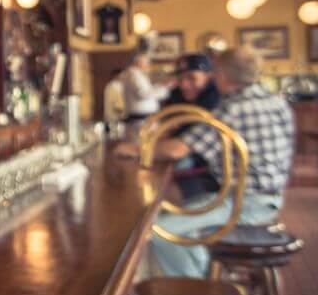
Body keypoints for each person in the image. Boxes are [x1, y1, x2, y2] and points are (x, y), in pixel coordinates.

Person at [148, 47, 294, 278]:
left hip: (243, 204)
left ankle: (194, 292)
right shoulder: (275, 101)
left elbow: (177, 150)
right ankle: (201, 280)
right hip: (271, 199)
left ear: (223, 75)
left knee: (158, 231)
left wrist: (140, 149)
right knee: (184, 221)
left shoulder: (234, 109)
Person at [163, 53, 221, 200]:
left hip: (213, 178)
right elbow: (166, 129)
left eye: (191, 78)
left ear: (209, 76)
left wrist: (141, 150)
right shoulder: (176, 96)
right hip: (193, 167)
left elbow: (179, 148)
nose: (184, 84)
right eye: (180, 78)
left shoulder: (217, 101)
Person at [120, 52, 169, 135]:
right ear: (138, 63)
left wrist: (161, 86)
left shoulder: (136, 74)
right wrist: (165, 87)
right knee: (142, 145)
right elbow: (143, 94)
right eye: (146, 63)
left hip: (144, 119)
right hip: (142, 119)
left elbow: (148, 90)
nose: (148, 65)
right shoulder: (134, 75)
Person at [103, 68, 126, 136]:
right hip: (114, 118)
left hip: (116, 117)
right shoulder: (113, 87)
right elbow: (117, 104)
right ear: (116, 76)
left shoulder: (118, 86)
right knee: (114, 137)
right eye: (122, 75)